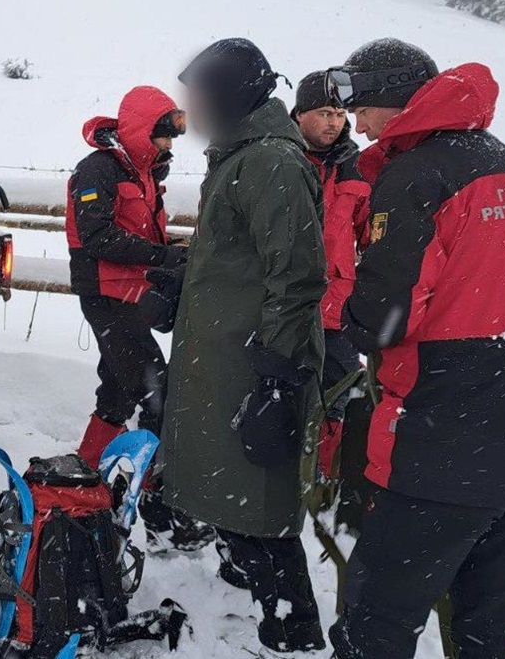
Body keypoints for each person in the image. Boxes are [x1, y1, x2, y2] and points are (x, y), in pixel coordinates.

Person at [325, 38, 505, 658]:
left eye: (362, 103)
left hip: (447, 439)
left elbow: (385, 318)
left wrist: (335, 306)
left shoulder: (417, 174)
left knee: (377, 619)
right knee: (494, 627)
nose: (356, 122)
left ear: (394, 98)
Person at [161, 38, 328, 654]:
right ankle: (245, 590)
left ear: (230, 95)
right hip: (227, 355)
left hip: (255, 363)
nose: (192, 107)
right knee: (225, 484)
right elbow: (242, 259)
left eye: (201, 95)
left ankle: (292, 628)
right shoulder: (240, 157)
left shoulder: (271, 163)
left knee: (258, 501)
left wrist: (279, 379)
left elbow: (298, 276)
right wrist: (181, 280)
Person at [65, 85, 212, 551]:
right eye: (162, 136)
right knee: (156, 392)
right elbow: (97, 238)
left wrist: (165, 259)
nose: (169, 145)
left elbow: (143, 232)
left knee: (118, 386)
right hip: (105, 293)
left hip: (130, 290)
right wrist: (163, 256)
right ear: (138, 130)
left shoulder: (144, 171)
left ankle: (87, 469)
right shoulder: (97, 171)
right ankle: (156, 501)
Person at [291, 71, 374, 534]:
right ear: (299, 114)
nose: (335, 123)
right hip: (283, 302)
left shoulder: (357, 168)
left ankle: (324, 481)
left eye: (341, 114)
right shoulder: (279, 158)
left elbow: (369, 235)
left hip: (338, 305)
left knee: (339, 396)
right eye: (324, 113)